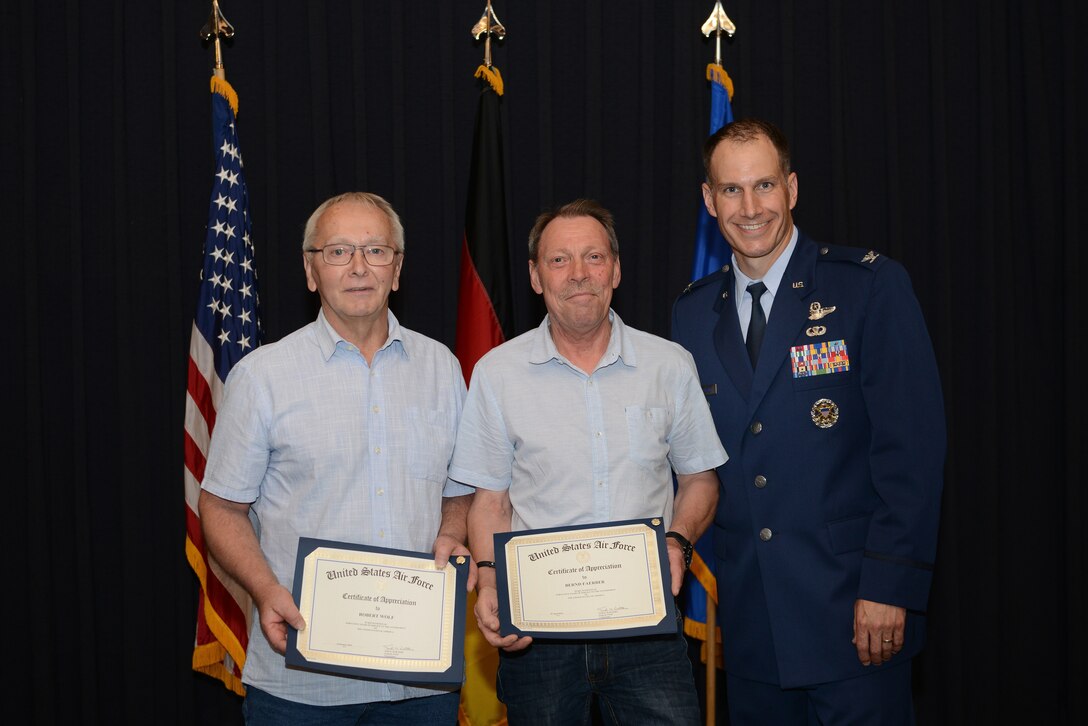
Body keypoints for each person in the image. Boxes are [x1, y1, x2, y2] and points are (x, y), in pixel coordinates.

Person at [671, 118, 946, 724]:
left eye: (764, 186)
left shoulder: (867, 288)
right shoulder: (691, 316)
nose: (750, 208)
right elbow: (692, 462)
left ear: (792, 189)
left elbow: (912, 454)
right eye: (732, 190)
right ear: (709, 200)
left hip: (856, 617)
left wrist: (888, 587)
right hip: (751, 629)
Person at [450, 199, 728, 725]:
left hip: (649, 628)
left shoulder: (668, 365)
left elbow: (701, 481)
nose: (579, 274)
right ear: (535, 277)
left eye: (594, 257)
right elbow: (490, 502)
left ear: (616, 269)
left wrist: (678, 540)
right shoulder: (496, 374)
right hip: (537, 635)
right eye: (559, 260)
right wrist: (488, 582)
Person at [199, 192, 474, 724]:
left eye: (375, 251)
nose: (357, 267)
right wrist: (264, 589)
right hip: (300, 683)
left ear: (397, 270)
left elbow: (458, 490)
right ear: (310, 269)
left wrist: (453, 529)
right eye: (338, 251)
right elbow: (221, 508)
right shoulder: (262, 377)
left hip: (420, 680)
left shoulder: (442, 367)